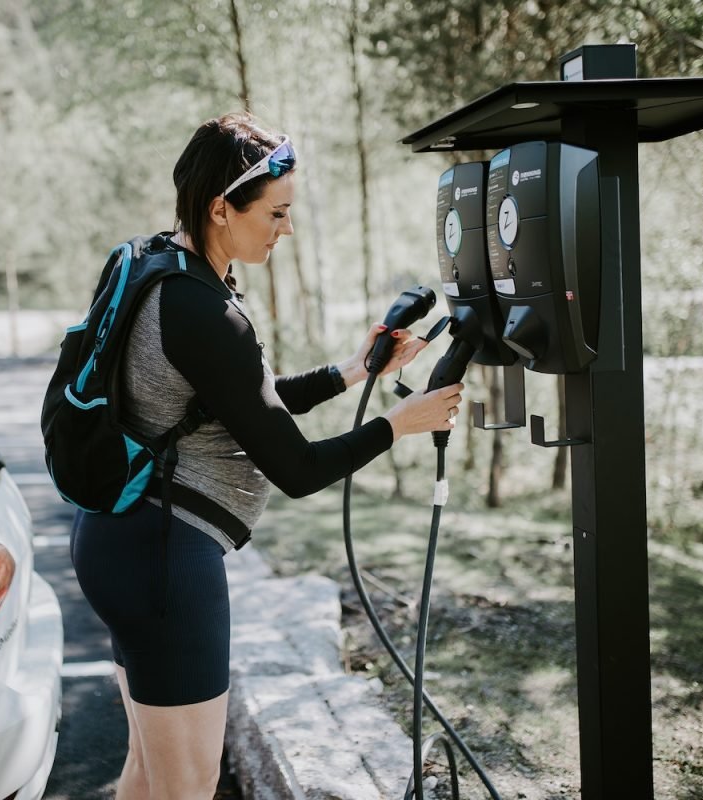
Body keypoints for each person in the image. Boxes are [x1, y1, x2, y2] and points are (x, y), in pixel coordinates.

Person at [69, 111, 464, 800]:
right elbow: (297, 470)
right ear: (223, 207)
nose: (288, 230)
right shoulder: (203, 310)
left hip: (119, 540)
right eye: (277, 214)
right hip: (164, 560)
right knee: (187, 787)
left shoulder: (158, 265)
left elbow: (242, 401)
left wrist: (351, 372)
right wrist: (399, 424)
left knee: (148, 775)